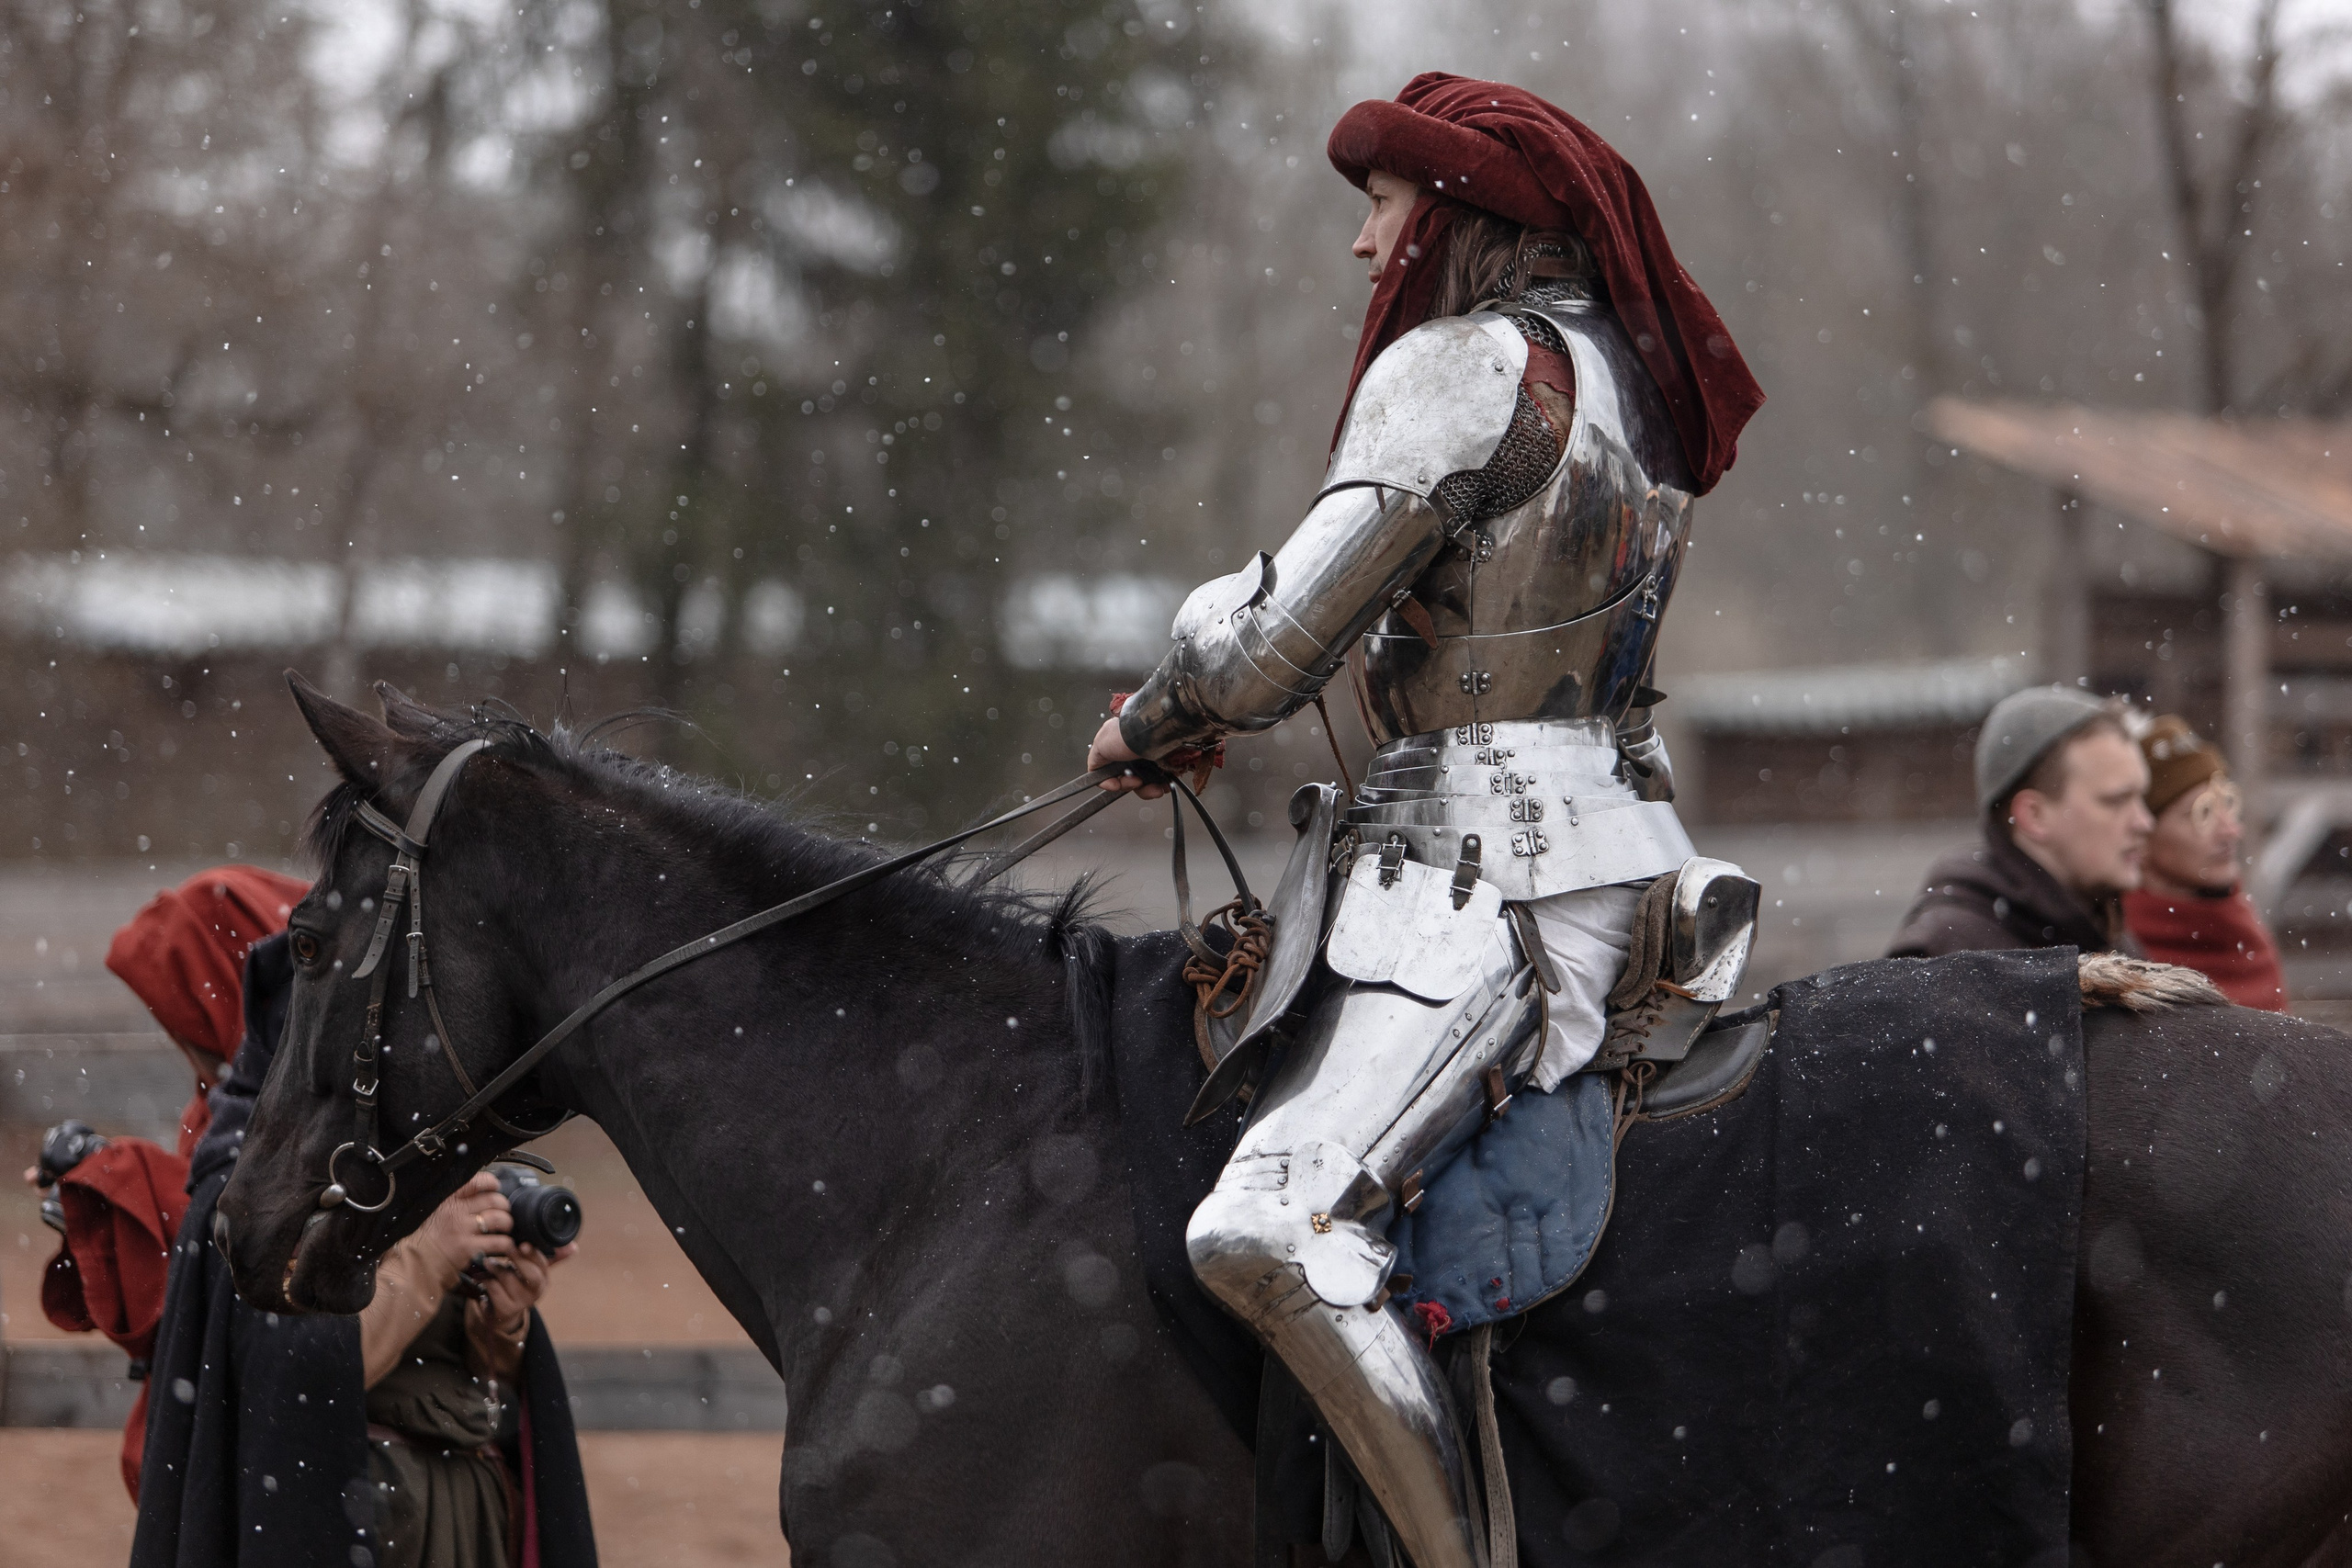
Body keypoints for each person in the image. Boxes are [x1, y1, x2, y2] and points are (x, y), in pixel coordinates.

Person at [1086, 73, 1764, 1568]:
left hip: (1485, 871)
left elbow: (1272, 647)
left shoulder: (1464, 365)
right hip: (1606, 838)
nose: (1362, 246)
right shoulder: (1621, 375)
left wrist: (1168, 685)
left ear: (1454, 213)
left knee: (1265, 1230)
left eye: (1381, 206)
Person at [129, 929, 600, 1567]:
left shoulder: (423, 1161)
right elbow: (295, 1389)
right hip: (355, 1521)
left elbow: (476, 1386)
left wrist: (504, 1325)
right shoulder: (255, 1187)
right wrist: (428, 1261)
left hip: (473, 1521)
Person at [30, 864, 307, 1498]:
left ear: (227, 1001)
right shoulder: (216, 1109)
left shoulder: (308, 1126)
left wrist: (118, 1183)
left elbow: (232, 1261)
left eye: (184, 1015)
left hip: (282, 1474)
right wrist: (97, 1192)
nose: (178, 1039)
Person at [1888, 687, 2153, 957]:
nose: (2144, 822)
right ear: (2034, 816)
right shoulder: (1950, 959)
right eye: (2116, 801)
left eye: (2142, 797)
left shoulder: (2108, 940)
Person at [2120, 715, 2288, 1009]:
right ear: (2142, 834)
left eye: (2229, 803)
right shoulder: (2112, 952)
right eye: (2201, 813)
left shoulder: (2244, 936)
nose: (2231, 831)